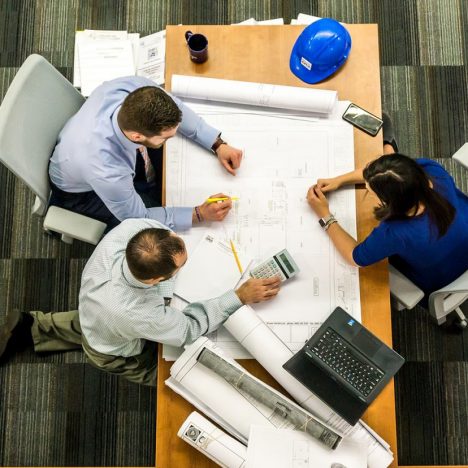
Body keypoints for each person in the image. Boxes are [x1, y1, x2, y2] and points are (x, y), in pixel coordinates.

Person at [0, 219, 281, 385]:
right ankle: (172, 381)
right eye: (178, 269)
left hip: (94, 307)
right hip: (112, 347)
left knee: (90, 323)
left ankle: (31, 326)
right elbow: (187, 329)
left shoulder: (133, 230)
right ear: (153, 281)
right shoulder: (138, 313)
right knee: (171, 373)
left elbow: (162, 233)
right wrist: (238, 296)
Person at [49, 76, 244, 231]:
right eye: (166, 138)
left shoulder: (134, 89)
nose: (172, 138)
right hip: (82, 194)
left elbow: (177, 108)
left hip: (85, 150)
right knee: (153, 226)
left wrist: (217, 144)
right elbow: (139, 218)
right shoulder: (106, 170)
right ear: (137, 136)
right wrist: (199, 214)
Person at [306, 128, 468, 300]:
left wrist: (325, 215)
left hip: (441, 276)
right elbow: (386, 174)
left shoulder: (395, 233)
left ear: (390, 202)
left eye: (370, 191)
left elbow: (355, 257)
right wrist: (338, 180)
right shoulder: (431, 171)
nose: (367, 191)